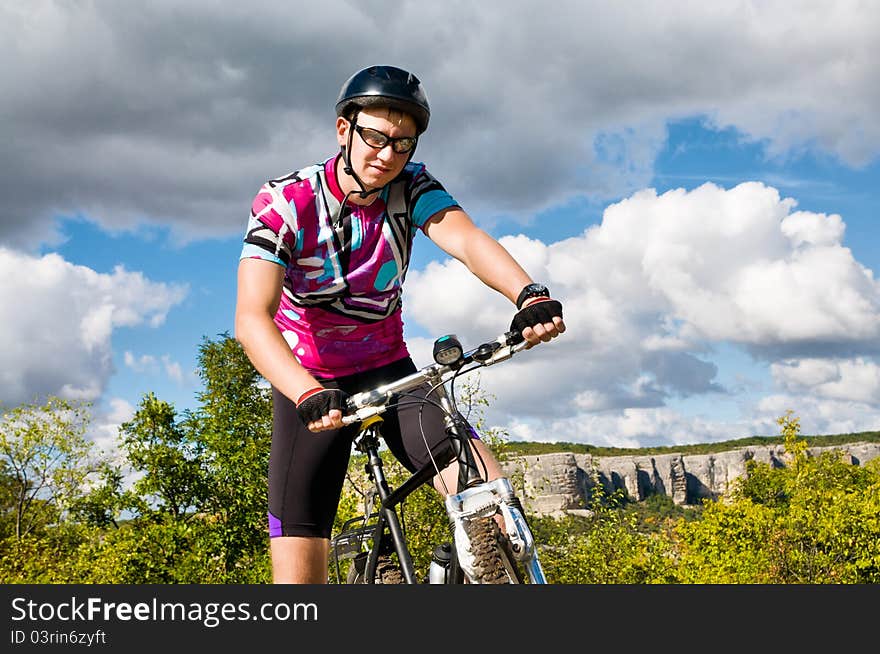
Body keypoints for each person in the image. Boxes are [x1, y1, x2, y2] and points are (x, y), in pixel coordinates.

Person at [234, 65, 565, 584]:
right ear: (344, 130)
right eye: (375, 137)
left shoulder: (410, 188)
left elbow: (466, 239)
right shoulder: (285, 201)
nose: (387, 155)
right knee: (298, 571)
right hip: (312, 385)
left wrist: (528, 294)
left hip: (391, 372)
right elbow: (253, 318)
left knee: (484, 484)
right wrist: (304, 392)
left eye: (402, 144)